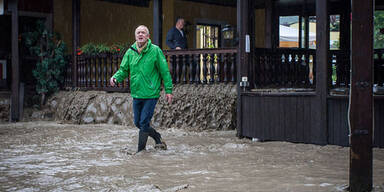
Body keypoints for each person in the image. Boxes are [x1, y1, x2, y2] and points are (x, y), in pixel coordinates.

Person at [110, 25, 173, 153]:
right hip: (137, 93)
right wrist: (116, 78)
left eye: (143, 33)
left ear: (148, 36)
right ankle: (157, 137)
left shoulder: (155, 50)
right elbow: (124, 69)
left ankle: (141, 151)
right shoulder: (130, 52)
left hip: (151, 93)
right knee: (138, 123)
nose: (140, 35)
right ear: (135, 36)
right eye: (138, 32)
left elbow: (164, 72)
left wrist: (169, 90)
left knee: (144, 122)